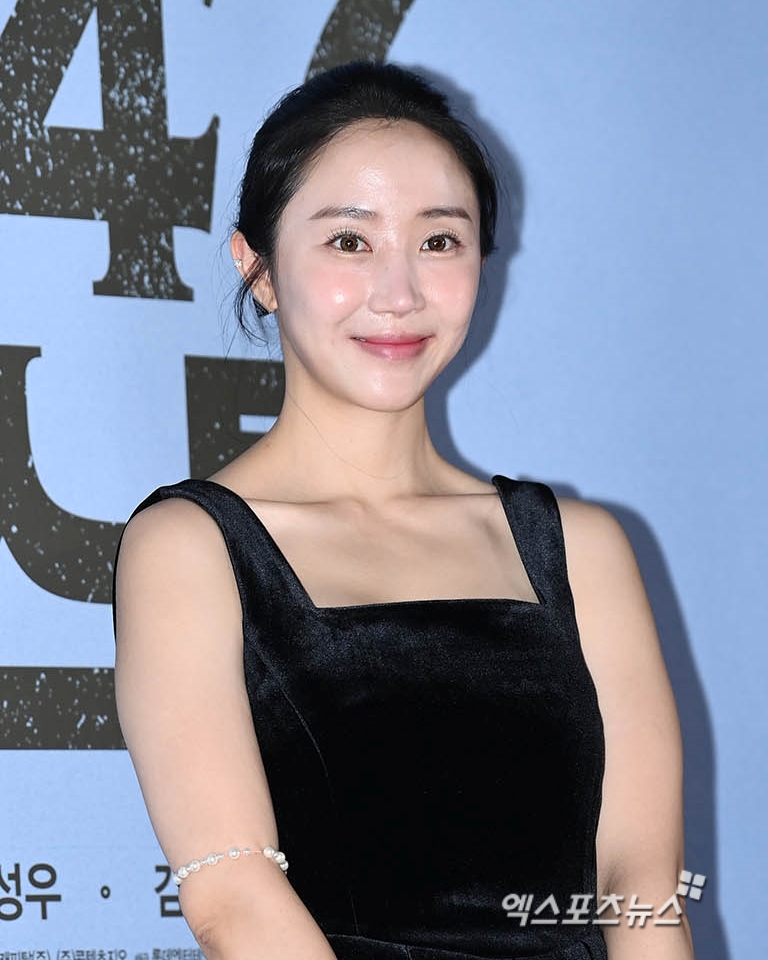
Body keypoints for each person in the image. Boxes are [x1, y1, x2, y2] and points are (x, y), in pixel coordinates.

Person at [112, 61, 696, 960]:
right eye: (350, 241)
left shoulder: (581, 548)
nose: (400, 292)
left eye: (440, 240)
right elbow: (233, 901)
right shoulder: (190, 547)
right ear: (258, 268)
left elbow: (643, 890)